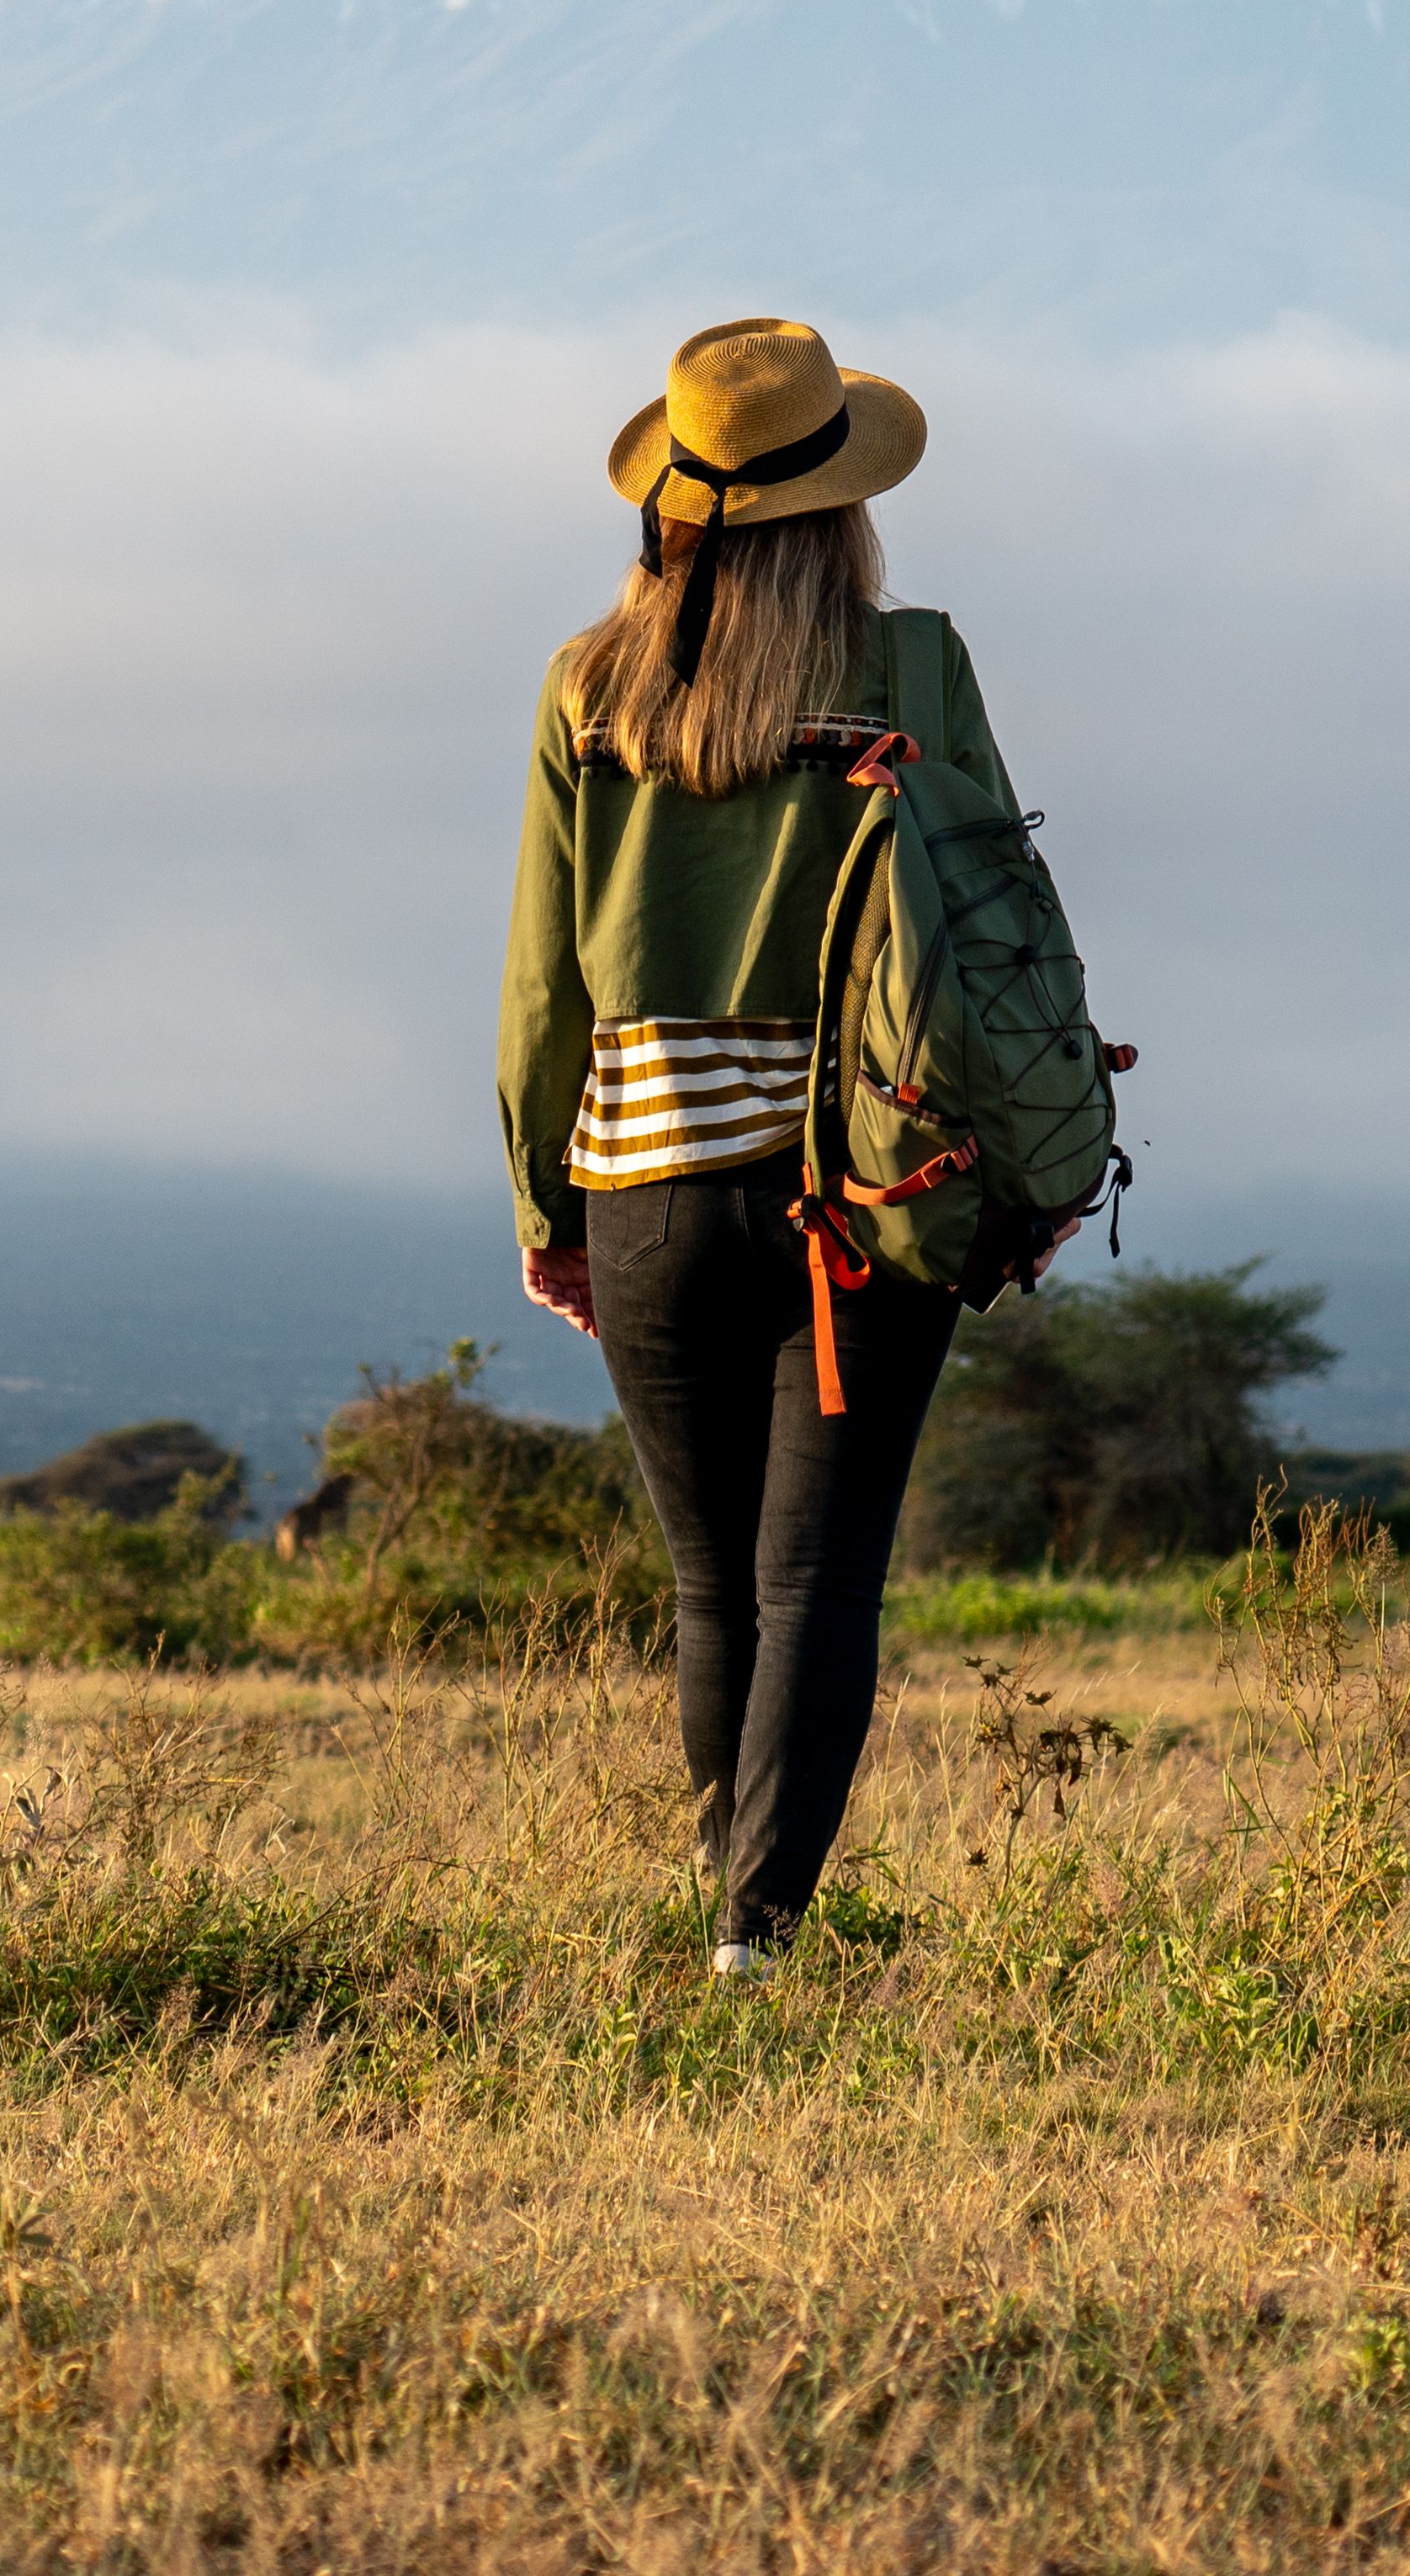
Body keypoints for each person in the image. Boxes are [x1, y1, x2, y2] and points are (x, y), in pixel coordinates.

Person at [501, 315, 1012, 1980]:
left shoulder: (588, 682)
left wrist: (544, 1197)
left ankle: (724, 1898)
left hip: (643, 1181)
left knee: (713, 1584)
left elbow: (540, 975)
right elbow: (991, 932)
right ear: (844, 505)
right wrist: (1017, 1152)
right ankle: (756, 1936)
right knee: (817, 1581)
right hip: (862, 1185)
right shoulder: (914, 667)